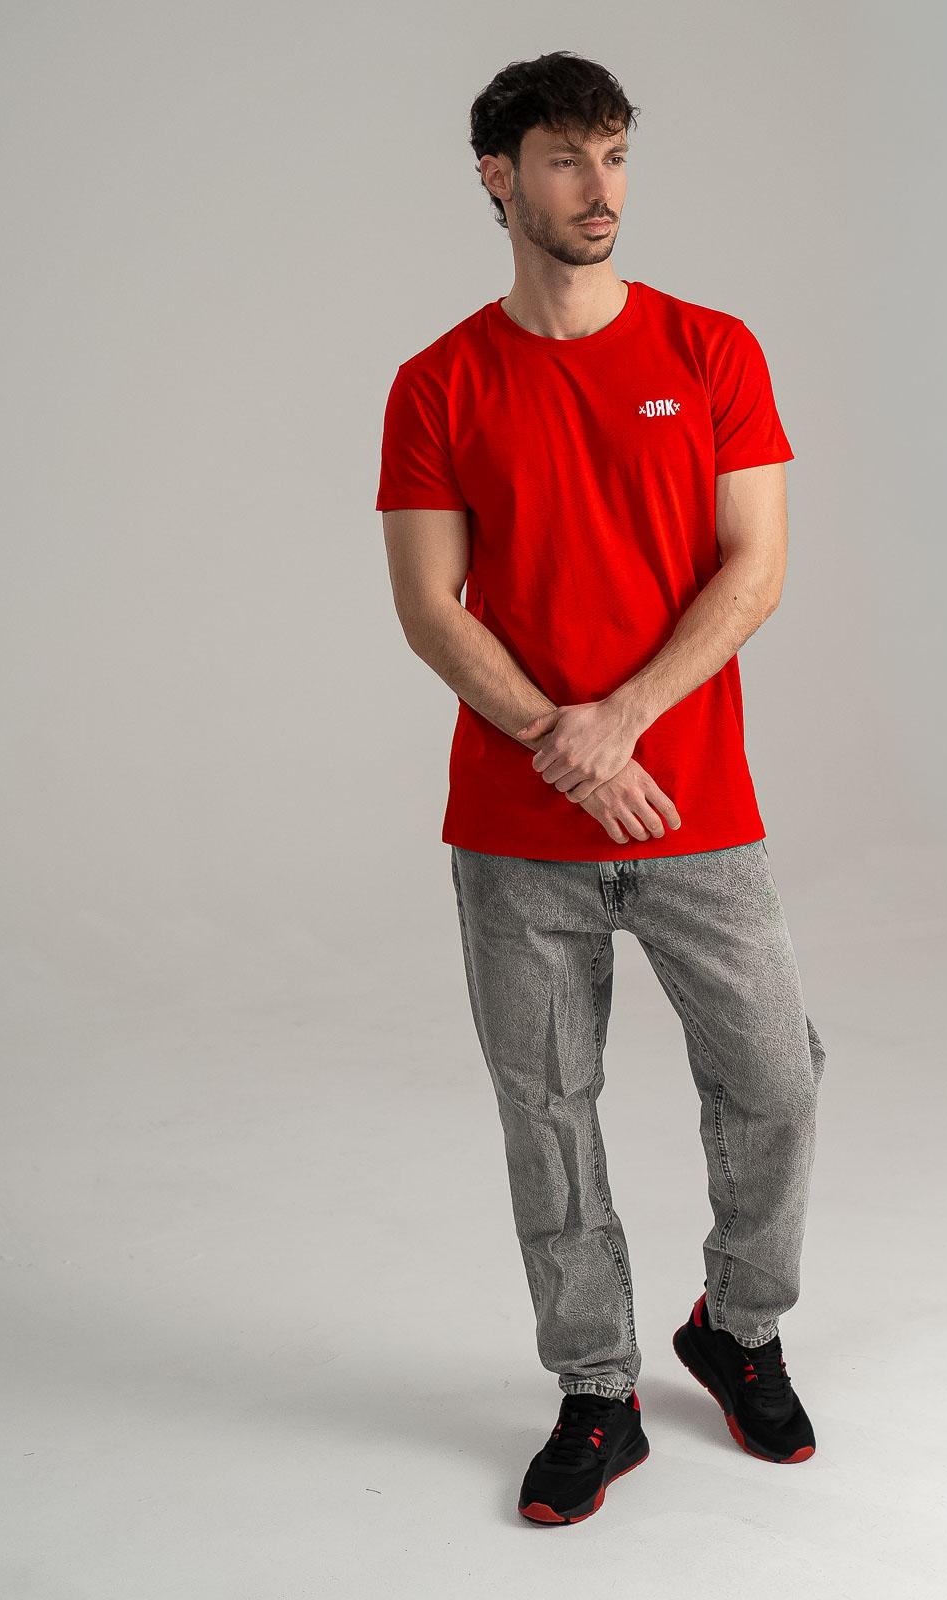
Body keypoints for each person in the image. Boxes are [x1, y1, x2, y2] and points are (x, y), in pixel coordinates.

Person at [375, 50, 827, 1526]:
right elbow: (431, 605)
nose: (600, 188)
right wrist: (556, 738)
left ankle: (738, 1328)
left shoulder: (712, 351)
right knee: (550, 1115)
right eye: (567, 158)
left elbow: (754, 568)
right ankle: (596, 1387)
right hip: (518, 833)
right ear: (498, 178)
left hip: (695, 806)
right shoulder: (439, 382)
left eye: (616, 154)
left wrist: (620, 720)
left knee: (774, 1079)